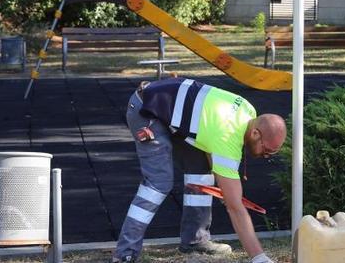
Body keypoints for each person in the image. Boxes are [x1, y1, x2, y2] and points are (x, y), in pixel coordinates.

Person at [112, 77, 286, 263]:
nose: (266, 156)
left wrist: (227, 189)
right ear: (255, 133)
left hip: (167, 107)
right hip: (146, 109)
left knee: (201, 171)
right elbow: (236, 208)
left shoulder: (248, 110)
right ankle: (125, 253)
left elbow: (211, 143)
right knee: (157, 184)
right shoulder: (227, 139)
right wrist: (259, 257)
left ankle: (195, 240)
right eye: (266, 150)